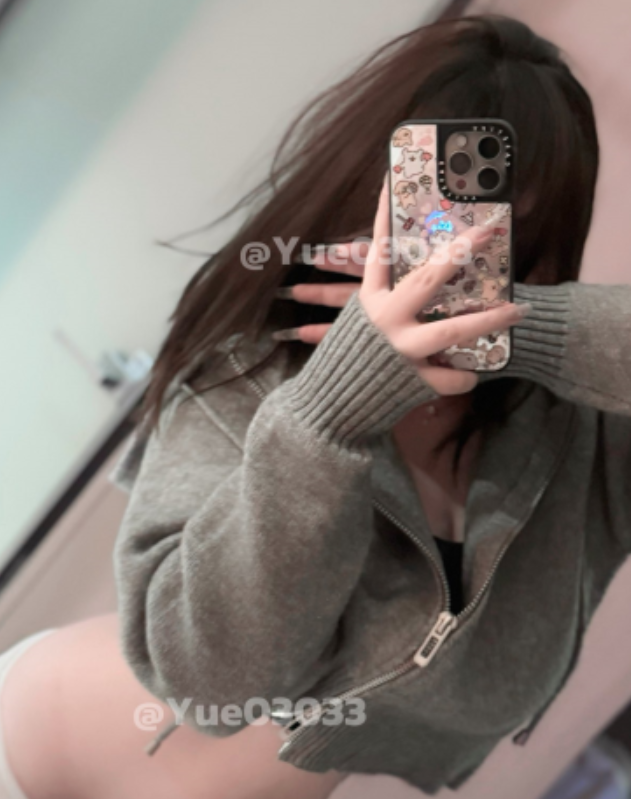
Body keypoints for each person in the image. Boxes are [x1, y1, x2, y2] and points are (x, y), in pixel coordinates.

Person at [0, 12, 629, 799]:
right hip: (36, 745)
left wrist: (505, 325)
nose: (454, 257)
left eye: (502, 238)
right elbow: (209, 684)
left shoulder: (582, 438)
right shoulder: (247, 377)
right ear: (368, 194)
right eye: (432, 219)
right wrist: (333, 413)